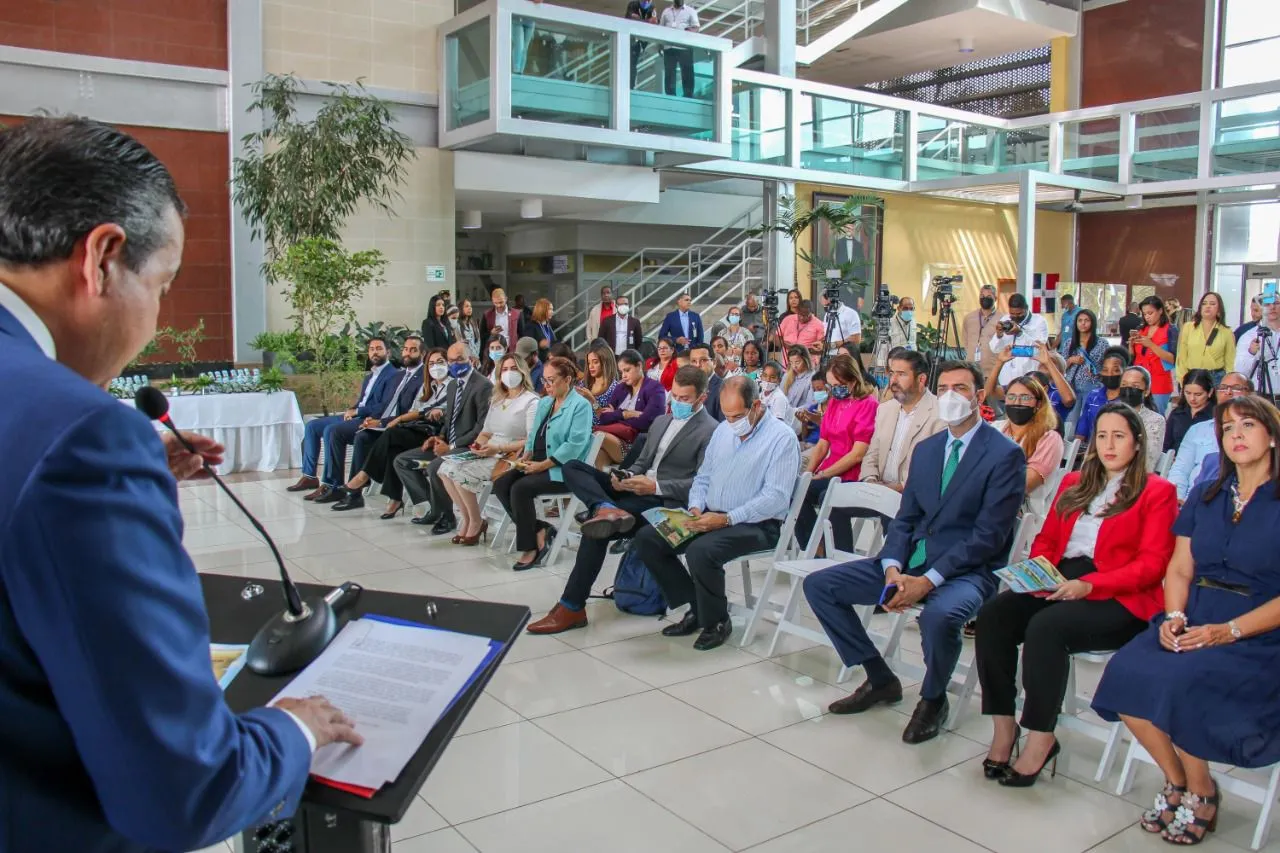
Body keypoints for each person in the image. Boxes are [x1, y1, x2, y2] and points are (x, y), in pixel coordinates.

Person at [0, 116, 362, 852]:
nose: (159, 319)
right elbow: (187, 791)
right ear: (102, 256)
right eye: (161, 285)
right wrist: (295, 726)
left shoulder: (59, 441)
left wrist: (119, 481)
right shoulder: (84, 437)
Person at [803, 361, 1026, 744]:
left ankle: (933, 698)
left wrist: (927, 580)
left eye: (962, 388)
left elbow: (988, 537)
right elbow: (906, 519)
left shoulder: (1003, 455)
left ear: (979, 396)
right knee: (820, 586)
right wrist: (892, 568)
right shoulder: (927, 450)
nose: (952, 396)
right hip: (911, 562)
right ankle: (879, 676)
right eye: (945, 387)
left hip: (967, 571)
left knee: (938, 618)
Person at [1091, 395, 1280, 845]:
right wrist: (1174, 615)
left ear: (1272, 436)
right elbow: (1179, 567)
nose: (1235, 434)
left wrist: (1228, 631)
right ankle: (1179, 780)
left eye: (1247, 425)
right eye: (1228, 428)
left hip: (1259, 628)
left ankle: (1201, 790)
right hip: (1196, 611)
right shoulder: (1208, 490)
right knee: (1127, 671)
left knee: (1182, 682)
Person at [975, 403, 1177, 787]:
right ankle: (1004, 727)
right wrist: (1038, 570)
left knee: (1046, 628)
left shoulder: (1158, 492)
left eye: (1119, 436)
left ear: (1137, 444)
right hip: (1062, 576)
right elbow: (1049, 538)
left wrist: (1091, 585)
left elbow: (1152, 565)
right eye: (1102, 436)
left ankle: (1040, 735)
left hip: (1120, 593)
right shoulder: (1074, 483)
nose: (1109, 445)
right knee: (995, 616)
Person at [526, 366, 719, 634]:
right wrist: (626, 476)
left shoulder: (711, 431)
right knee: (573, 467)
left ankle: (571, 606)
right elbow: (642, 462)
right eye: (674, 396)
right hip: (636, 487)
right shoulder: (662, 421)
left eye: (685, 399)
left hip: (662, 500)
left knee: (596, 532)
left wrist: (655, 485)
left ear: (702, 397)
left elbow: (702, 483)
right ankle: (603, 507)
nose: (677, 403)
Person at [634, 376, 802, 650]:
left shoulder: (781, 439)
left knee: (701, 550)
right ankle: (697, 607)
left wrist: (727, 519)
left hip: (758, 523)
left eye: (738, 415)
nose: (732, 422)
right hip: (712, 514)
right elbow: (703, 476)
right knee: (648, 538)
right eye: (726, 415)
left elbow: (775, 498)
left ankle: (716, 621)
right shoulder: (724, 431)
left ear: (757, 405)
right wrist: (696, 507)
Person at [493, 356, 595, 570]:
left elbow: (574, 444)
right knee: (501, 484)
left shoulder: (581, 406)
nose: (546, 385)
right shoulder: (546, 403)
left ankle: (530, 548)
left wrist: (543, 465)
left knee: (520, 489)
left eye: (551, 380)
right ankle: (539, 529)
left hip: (563, 470)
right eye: (544, 381)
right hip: (536, 463)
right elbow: (534, 435)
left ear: (567, 379)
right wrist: (526, 456)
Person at [437, 354, 541, 545]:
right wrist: (477, 445)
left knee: (459, 473)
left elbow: (530, 441)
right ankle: (468, 517)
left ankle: (476, 521)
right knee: (444, 469)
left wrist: (496, 448)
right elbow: (486, 431)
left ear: (523, 371)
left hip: (510, 454)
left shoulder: (531, 401)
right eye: (505, 369)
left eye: (514, 368)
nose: (509, 373)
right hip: (490, 450)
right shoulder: (498, 399)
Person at [336, 347, 450, 520]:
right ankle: (395, 498)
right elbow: (416, 409)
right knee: (393, 449)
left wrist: (400, 419)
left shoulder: (453, 385)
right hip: (414, 427)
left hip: (433, 432)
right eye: (432, 364)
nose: (435, 367)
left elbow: (428, 411)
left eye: (440, 362)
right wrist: (406, 417)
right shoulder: (428, 386)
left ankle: (364, 475)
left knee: (391, 435)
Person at [394, 342, 493, 535]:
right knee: (402, 461)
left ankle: (448, 517)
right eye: (451, 361)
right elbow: (449, 420)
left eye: (460, 360)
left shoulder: (483, 386)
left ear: (471, 360)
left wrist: (452, 446)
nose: (455, 364)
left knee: (435, 466)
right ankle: (434, 507)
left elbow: (482, 427)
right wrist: (438, 438)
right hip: (449, 443)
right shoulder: (453, 384)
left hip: (468, 446)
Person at [290, 337, 400, 500]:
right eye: (371, 349)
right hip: (357, 414)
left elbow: (383, 406)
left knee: (331, 430)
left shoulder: (393, 375)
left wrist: (357, 411)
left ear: (388, 352)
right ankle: (309, 477)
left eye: (378, 348)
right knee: (312, 426)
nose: (374, 352)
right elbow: (363, 400)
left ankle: (332, 485)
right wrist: (351, 409)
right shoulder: (370, 376)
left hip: (370, 419)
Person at [329, 335, 427, 511]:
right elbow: (386, 404)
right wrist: (372, 420)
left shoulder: (424, 377)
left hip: (407, 427)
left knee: (385, 440)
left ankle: (361, 480)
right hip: (387, 424)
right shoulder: (399, 376)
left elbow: (412, 411)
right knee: (363, 437)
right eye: (405, 349)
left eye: (413, 350)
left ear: (422, 353)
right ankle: (355, 494)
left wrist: (381, 422)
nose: (407, 353)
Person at [794, 353, 879, 552]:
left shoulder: (867, 405)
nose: (834, 390)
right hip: (831, 468)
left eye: (839, 384)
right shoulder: (834, 402)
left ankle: (841, 553)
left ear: (853, 380)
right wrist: (810, 472)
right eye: (831, 385)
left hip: (852, 472)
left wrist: (824, 474)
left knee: (829, 495)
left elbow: (858, 453)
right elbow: (823, 443)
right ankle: (815, 547)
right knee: (796, 489)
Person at [860, 348, 946, 492]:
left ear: (921, 379)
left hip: (909, 494)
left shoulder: (939, 414)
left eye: (901, 374)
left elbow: (933, 467)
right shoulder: (885, 409)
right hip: (876, 488)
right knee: (832, 500)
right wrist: (870, 480)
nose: (893, 380)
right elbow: (872, 454)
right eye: (892, 373)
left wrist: (895, 488)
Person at [1167, 373, 1252, 501]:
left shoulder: (1258, 432)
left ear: (1251, 394)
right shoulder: (1198, 429)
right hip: (1192, 499)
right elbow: (1180, 470)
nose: (1228, 392)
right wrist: (1177, 499)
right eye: (1223, 387)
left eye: (1236, 388)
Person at [992, 374, 1064, 503]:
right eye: (1011, 397)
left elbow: (1023, 485)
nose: (1017, 402)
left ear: (1038, 403)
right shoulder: (995, 429)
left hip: (1024, 511)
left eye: (1025, 398)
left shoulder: (1049, 438)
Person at [596, 349, 666, 460]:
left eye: (627, 370)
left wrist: (615, 415)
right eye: (621, 372)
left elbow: (647, 422)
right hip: (616, 436)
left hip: (636, 443)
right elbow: (604, 418)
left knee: (598, 437)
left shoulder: (655, 388)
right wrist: (625, 414)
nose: (623, 375)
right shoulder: (620, 388)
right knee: (597, 455)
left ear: (639, 365)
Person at [1060, 308, 1107, 430]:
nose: (1083, 323)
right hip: (1072, 386)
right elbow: (1061, 366)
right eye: (1080, 320)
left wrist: (1097, 373)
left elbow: (1107, 365)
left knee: (1091, 418)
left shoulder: (1102, 343)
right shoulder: (1069, 343)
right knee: (1071, 421)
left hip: (1092, 385)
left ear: (1093, 323)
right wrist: (1071, 360)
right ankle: (1071, 445)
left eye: (1087, 320)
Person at [989, 292, 1050, 388]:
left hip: (1029, 378)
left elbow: (1038, 348)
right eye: (1012, 314)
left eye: (1019, 313)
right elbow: (994, 349)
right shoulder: (1006, 319)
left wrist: (1020, 333)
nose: (1016, 317)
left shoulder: (1039, 322)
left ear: (1026, 308)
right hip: (1006, 380)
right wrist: (999, 335)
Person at [1129, 295, 1178, 413]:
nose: (1147, 317)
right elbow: (1132, 357)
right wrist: (1130, 345)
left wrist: (1151, 345)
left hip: (1159, 382)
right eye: (1144, 314)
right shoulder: (1141, 329)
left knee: (1157, 417)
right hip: (1139, 380)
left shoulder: (1170, 330)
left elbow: (1173, 359)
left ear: (1160, 310)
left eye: (1150, 313)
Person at [1175, 292, 1234, 386]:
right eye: (1204, 303)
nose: (1208, 306)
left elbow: (1230, 362)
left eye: (1212, 304)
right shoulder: (1188, 327)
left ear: (1219, 309)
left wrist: (1228, 384)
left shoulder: (1226, 331)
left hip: (1216, 378)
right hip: (1192, 376)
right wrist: (1182, 379)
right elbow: (1181, 357)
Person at [1074, 346, 1131, 444]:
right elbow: (1083, 427)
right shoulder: (1093, 395)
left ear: (1124, 372)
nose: (1110, 374)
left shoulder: (1129, 400)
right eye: (1105, 370)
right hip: (1089, 450)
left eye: (1116, 370)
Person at [1118, 365, 1166, 472]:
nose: (1128, 389)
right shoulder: (1108, 415)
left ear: (1146, 391)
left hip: (1133, 478)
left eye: (1135, 386)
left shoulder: (1155, 420)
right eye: (1124, 384)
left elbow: (1148, 460)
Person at [1235, 299, 1280, 401]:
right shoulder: (1249, 335)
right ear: (1262, 308)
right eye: (1267, 304)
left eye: (1277, 303)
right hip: (1257, 396)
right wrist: (1251, 353)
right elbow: (1239, 371)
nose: (1272, 307)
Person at [1164, 369, 1215, 453]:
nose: (1192, 398)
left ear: (1210, 392)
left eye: (1198, 394)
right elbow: (1166, 445)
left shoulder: (1215, 416)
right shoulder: (1176, 414)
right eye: (1188, 393)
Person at [658, 0, 700, 97]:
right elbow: (660, 29)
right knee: (669, 73)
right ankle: (670, 95)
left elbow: (697, 27)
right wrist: (660, 45)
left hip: (684, 47)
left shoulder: (690, 11)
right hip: (669, 47)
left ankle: (688, 95)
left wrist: (690, 31)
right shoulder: (666, 11)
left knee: (687, 72)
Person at [962, 284, 1001, 376]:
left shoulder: (1002, 319)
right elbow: (965, 341)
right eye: (982, 296)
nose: (985, 299)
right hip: (971, 369)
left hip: (992, 371)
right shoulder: (969, 318)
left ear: (995, 298)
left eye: (988, 296)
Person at [779, 298, 826, 366]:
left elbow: (821, 349)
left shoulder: (819, 324)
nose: (801, 318)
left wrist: (802, 350)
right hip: (787, 363)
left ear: (811, 313)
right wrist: (785, 344)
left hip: (807, 365)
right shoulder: (788, 319)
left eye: (805, 315)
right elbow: (777, 337)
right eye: (799, 314)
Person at [688, 342, 725, 421]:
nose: (698, 365)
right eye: (694, 361)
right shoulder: (687, 386)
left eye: (703, 360)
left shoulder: (723, 389)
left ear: (714, 363)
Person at [624, 0, 658, 86]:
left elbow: (654, 22)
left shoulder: (652, 8)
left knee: (634, 64)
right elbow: (631, 17)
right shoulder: (633, 4)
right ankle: (627, 85)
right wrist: (647, 21)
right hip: (630, 38)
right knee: (628, 64)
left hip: (642, 41)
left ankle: (631, 86)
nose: (646, 1)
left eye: (649, 0)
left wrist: (645, 21)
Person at [782, 344, 815, 410]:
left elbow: (810, 403)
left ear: (806, 360)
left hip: (800, 415)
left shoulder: (813, 377)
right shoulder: (787, 375)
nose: (794, 366)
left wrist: (793, 412)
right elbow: (780, 395)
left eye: (797, 362)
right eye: (791, 362)